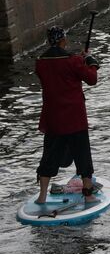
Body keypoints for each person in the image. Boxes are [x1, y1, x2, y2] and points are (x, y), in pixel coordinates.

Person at [34, 26, 101, 206]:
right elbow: (92, 79)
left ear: (49, 41)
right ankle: (88, 195)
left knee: (49, 157)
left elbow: (56, 67)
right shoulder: (73, 61)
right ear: (63, 40)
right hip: (74, 119)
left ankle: (41, 197)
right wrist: (90, 60)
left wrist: (80, 59)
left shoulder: (40, 63)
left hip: (53, 119)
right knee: (82, 157)